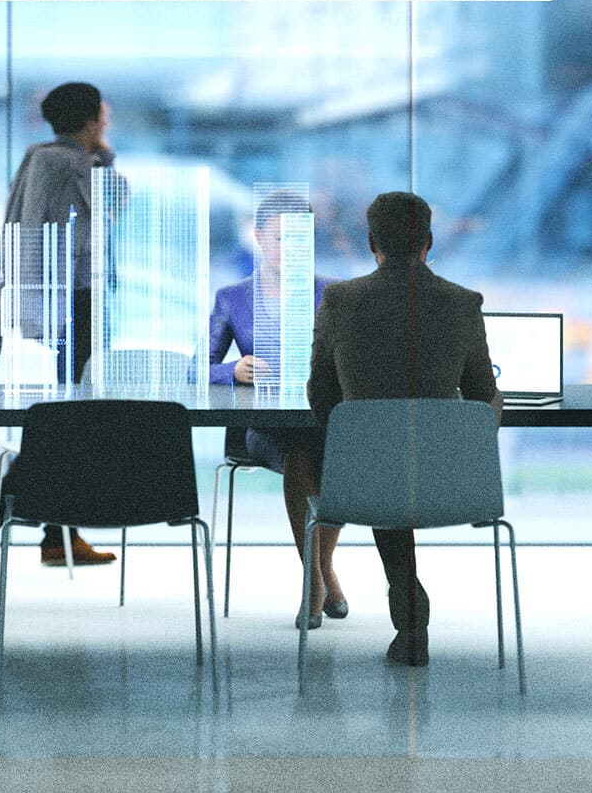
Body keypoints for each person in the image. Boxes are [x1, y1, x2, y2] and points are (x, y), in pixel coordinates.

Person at [307, 192, 500, 667]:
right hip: (450, 480)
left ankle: (409, 606)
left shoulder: (339, 300)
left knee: (380, 459)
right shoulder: (463, 303)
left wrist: (361, 426)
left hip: (363, 477)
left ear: (371, 241)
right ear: (429, 242)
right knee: (397, 456)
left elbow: (321, 397)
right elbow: (481, 399)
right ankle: (409, 607)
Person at [0, 81, 119, 569]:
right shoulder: (63, 163)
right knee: (67, 421)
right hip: (71, 304)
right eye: (103, 112)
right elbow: (93, 225)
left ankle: (58, 534)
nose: (109, 118)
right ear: (91, 118)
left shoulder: (50, 160)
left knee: (68, 419)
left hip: (68, 302)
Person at [209, 191, 342, 628]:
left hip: (323, 418)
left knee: (326, 449)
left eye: (301, 239)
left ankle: (321, 572)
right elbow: (199, 367)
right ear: (260, 237)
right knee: (304, 454)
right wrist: (233, 370)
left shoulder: (335, 295)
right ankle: (316, 579)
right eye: (282, 238)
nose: (292, 249)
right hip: (265, 427)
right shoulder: (233, 297)